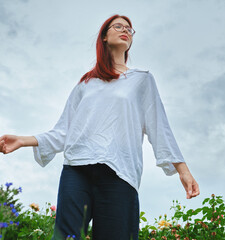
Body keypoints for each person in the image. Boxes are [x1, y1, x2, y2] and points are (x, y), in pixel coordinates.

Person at [0, 14, 200, 240]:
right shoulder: (86, 83)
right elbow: (64, 131)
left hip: (120, 173)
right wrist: (23, 140)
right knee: (66, 237)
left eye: (129, 29)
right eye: (118, 26)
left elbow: (159, 127)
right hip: (77, 169)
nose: (125, 30)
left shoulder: (142, 80)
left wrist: (183, 170)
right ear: (104, 36)